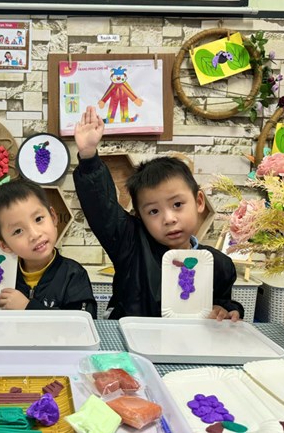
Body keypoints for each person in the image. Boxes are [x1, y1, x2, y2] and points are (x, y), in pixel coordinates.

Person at [73, 106, 243, 321]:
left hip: (186, 340)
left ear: (199, 202)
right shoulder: (131, 245)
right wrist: (88, 157)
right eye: (153, 211)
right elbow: (102, 210)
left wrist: (226, 310)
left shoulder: (219, 265)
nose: (169, 219)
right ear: (139, 216)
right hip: (130, 336)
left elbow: (223, 304)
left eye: (177, 204)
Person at [0, 179, 97, 318]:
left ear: (53, 217)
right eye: (18, 231)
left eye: (38, 219)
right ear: (4, 245)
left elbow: (83, 322)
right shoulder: (0, 275)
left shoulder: (73, 275)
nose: (35, 235)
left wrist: (28, 307)